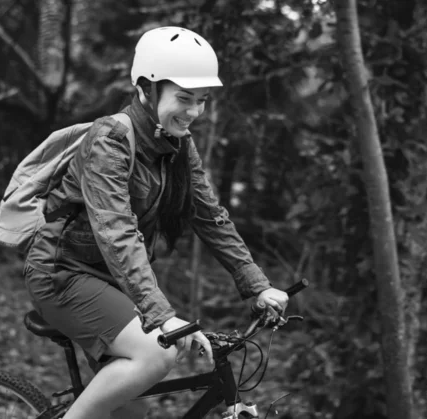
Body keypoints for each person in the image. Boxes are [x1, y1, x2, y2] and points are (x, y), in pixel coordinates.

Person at [23, 26, 289, 419]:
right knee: (156, 352)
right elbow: (117, 233)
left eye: (202, 100)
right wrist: (160, 315)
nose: (194, 112)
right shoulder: (109, 140)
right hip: (61, 273)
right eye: (184, 98)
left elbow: (210, 216)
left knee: (130, 413)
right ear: (146, 89)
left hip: (112, 281)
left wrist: (256, 285)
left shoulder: (179, 145)